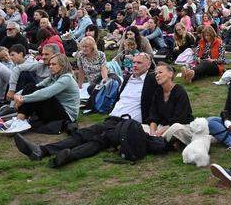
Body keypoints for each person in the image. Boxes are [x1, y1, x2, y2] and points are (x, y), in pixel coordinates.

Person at [13, 54, 169, 167]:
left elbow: (167, 87)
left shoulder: (151, 80)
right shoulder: (127, 78)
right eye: (133, 62)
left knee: (100, 140)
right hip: (113, 118)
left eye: (139, 63)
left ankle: (67, 156)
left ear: (148, 66)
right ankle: (42, 150)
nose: (135, 65)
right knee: (82, 134)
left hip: (129, 123)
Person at [6, 54, 80, 133]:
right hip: (56, 109)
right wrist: (17, 96)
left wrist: (23, 99)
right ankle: (20, 119)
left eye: (54, 64)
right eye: (49, 64)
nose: (50, 66)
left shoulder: (66, 78)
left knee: (41, 93)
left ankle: (20, 120)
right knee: (30, 86)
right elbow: (35, 87)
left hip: (67, 115)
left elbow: (46, 93)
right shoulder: (53, 77)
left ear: (62, 65)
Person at [147, 62, 195, 146]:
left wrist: (159, 132)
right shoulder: (158, 92)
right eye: (156, 74)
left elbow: (180, 118)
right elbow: (153, 116)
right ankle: (165, 142)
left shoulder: (180, 91)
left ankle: (157, 141)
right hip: (162, 127)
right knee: (140, 127)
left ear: (170, 74)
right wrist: (152, 133)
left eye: (160, 72)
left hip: (180, 126)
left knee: (176, 129)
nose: (157, 76)